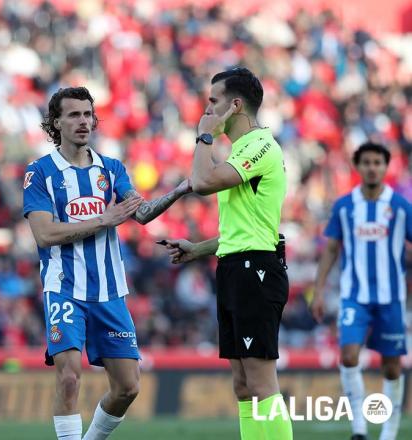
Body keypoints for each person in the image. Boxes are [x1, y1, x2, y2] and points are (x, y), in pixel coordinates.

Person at [23, 86, 192, 440]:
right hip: (64, 288)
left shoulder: (111, 169)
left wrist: (179, 190)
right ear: (56, 123)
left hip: (109, 291)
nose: (83, 121)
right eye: (73, 115)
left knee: (128, 387)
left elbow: (141, 213)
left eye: (87, 114)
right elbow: (44, 234)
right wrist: (105, 219)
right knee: (69, 377)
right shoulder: (40, 172)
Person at [163, 67, 292, 439]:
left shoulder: (260, 146)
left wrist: (205, 135)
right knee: (243, 385)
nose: (207, 108)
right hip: (236, 266)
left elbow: (202, 182)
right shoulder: (240, 152)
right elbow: (243, 230)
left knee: (261, 381)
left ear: (235, 106)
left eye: (213, 101)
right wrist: (198, 249)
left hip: (258, 270)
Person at [311, 142, 410, 440]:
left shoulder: (401, 207)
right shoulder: (344, 206)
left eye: (377, 162)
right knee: (349, 356)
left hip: (391, 299)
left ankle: (389, 431)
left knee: (391, 368)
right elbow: (330, 249)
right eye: (366, 162)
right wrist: (318, 291)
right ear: (358, 166)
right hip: (355, 297)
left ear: (385, 167)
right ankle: (359, 428)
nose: (372, 167)